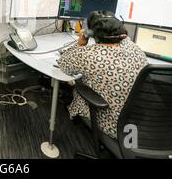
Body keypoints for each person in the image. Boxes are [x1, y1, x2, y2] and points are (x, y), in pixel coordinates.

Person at [56, 11, 148, 139]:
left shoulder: (89, 54)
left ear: (92, 34)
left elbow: (64, 64)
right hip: (138, 118)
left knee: (76, 84)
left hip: (110, 121)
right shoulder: (134, 47)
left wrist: (81, 43)